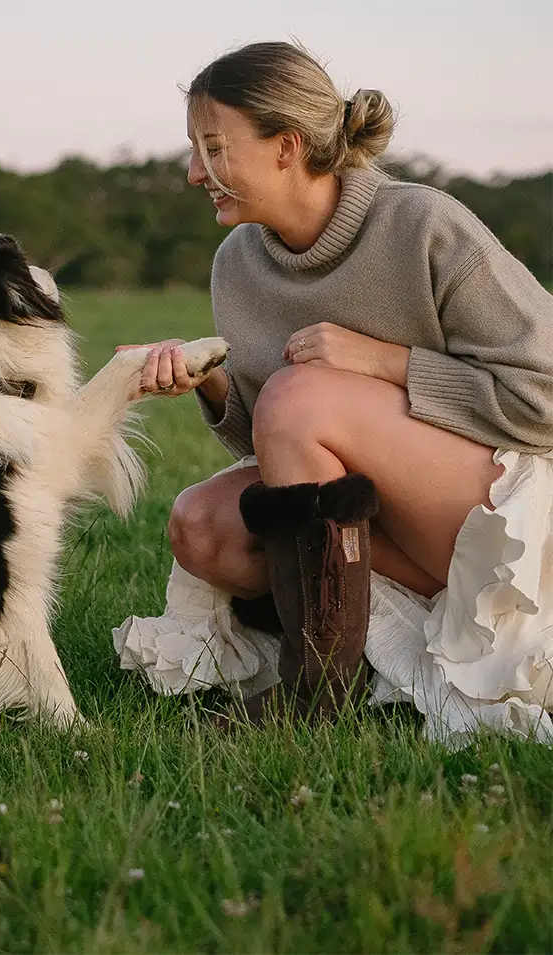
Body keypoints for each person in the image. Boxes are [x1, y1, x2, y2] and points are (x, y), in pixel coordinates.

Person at [116, 41, 553, 729]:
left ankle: (315, 691)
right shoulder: (237, 263)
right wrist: (212, 384)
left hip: (499, 519)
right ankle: (349, 644)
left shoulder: (423, 226)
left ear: (286, 146)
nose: (197, 173)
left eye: (214, 147)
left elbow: (545, 392)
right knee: (201, 526)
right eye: (193, 150)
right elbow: (278, 433)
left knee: (303, 394)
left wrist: (385, 361)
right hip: (366, 511)